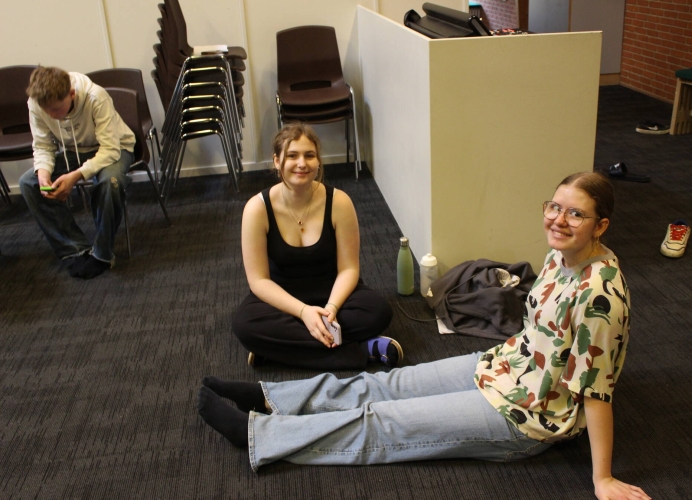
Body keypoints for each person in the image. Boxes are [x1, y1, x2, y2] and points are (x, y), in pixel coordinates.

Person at [199, 171, 650, 500]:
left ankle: (262, 435)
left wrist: (603, 478)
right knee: (385, 384)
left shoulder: (600, 297)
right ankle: (271, 397)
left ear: (600, 225)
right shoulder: (561, 255)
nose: (559, 220)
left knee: (384, 422)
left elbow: (597, 393)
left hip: (528, 415)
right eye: (555, 207)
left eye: (576, 214)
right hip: (504, 366)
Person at [231, 123, 396, 370]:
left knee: (378, 311)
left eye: (309, 155)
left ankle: (278, 351)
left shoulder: (339, 202)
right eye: (292, 156)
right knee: (244, 325)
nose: (302, 163)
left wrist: (330, 308)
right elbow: (259, 281)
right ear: (277, 161)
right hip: (283, 298)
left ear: (318, 161)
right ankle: (361, 351)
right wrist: (303, 312)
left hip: (332, 294)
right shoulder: (257, 208)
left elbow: (349, 269)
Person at [19, 66, 135, 279]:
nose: (51, 115)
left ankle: (102, 255)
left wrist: (76, 176)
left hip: (116, 148)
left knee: (110, 182)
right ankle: (75, 249)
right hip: (73, 151)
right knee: (28, 182)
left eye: (56, 110)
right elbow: (43, 146)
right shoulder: (36, 103)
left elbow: (110, 150)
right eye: (46, 110)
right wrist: (43, 173)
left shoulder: (96, 97)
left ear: (71, 94)